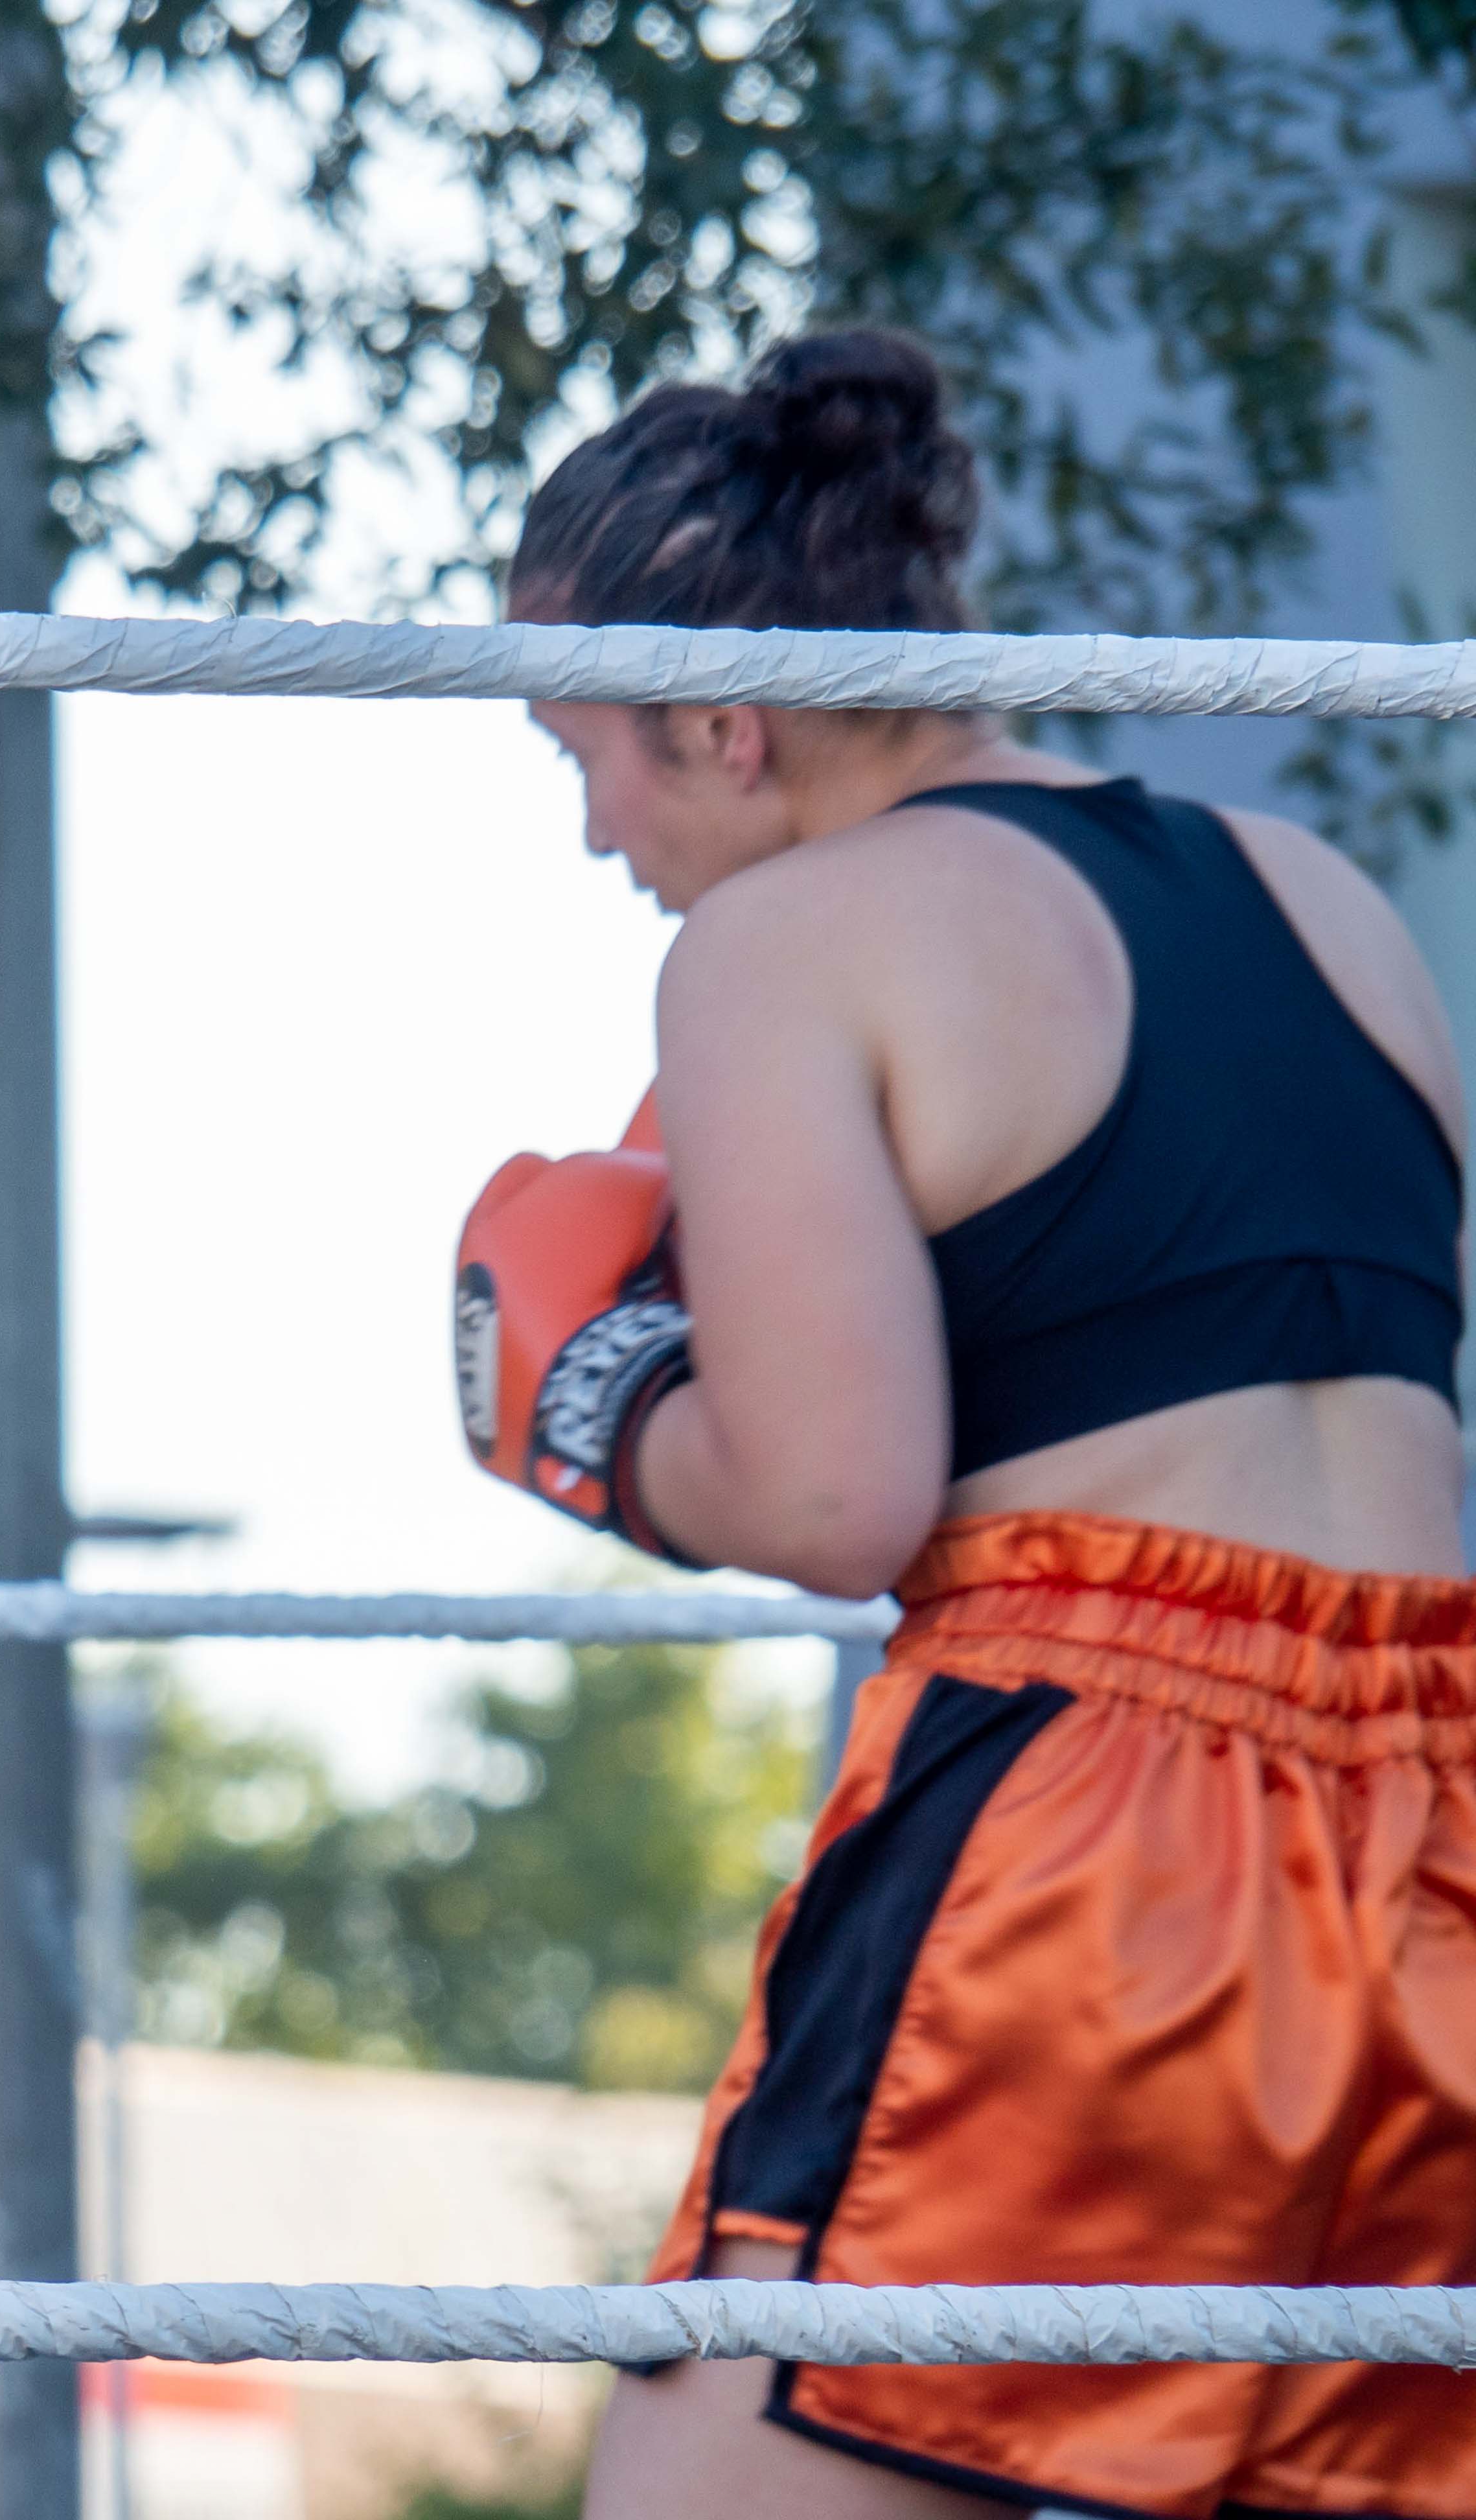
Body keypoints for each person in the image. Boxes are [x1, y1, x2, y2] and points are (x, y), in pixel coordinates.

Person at [455, 328, 1476, 2520]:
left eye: (589, 760)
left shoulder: (787, 949)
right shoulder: (1325, 902)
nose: (596, 835)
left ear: (721, 724)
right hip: (1448, 1827)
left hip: (1106, 1831)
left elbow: (837, 1493)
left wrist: (598, 1409)